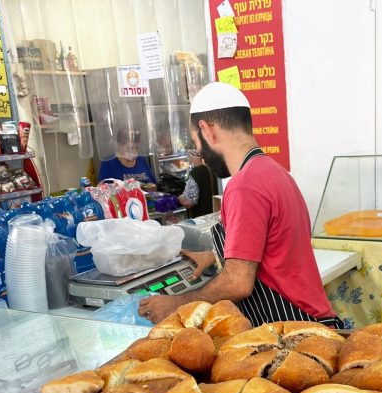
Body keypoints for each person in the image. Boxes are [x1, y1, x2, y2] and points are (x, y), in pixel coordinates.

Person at [138, 82, 341, 329]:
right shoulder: (274, 171)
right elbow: (272, 250)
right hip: (313, 321)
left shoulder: (244, 186)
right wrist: (215, 257)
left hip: (296, 328)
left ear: (207, 130)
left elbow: (238, 283)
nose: (200, 153)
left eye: (196, 141)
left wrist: (175, 305)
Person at [178, 149, 217, 218]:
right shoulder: (211, 169)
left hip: (200, 218)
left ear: (195, 156)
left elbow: (189, 201)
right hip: (213, 215)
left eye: (189, 155)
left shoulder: (195, 172)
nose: (189, 158)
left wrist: (177, 198)